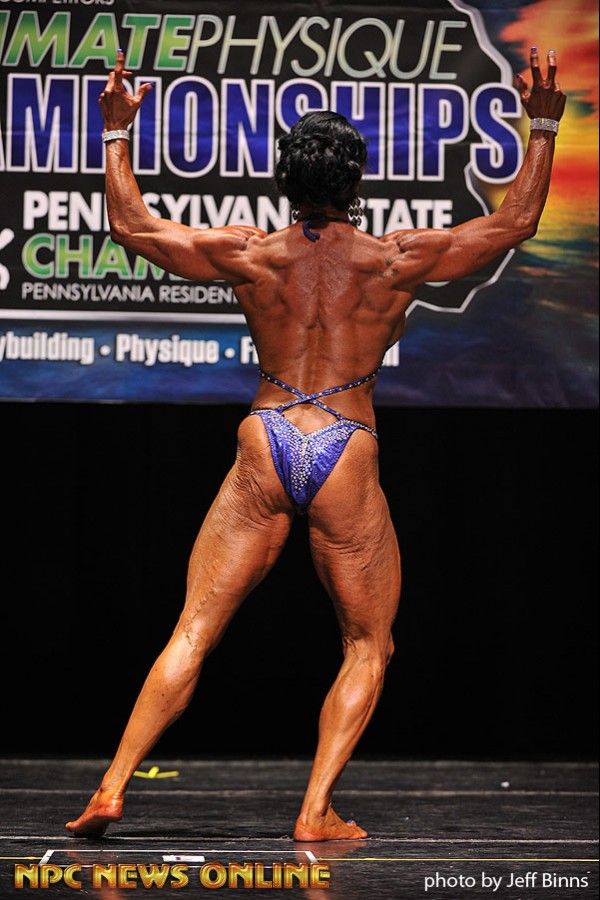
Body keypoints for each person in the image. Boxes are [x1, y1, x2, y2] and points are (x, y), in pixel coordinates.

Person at [66, 47, 566, 841]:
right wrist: (541, 126)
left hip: (266, 435)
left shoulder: (251, 254)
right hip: (345, 440)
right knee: (369, 643)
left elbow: (132, 225)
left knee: (194, 628)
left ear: (285, 180)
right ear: (356, 180)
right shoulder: (394, 259)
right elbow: (514, 224)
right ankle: (314, 810)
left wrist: (116, 132)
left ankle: (110, 788)